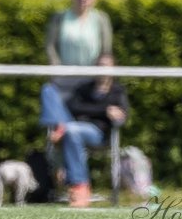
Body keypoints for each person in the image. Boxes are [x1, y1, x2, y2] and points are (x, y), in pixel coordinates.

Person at [38, 54, 129, 208]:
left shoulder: (117, 92)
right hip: (74, 125)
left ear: (114, 69)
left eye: (106, 66)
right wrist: (104, 110)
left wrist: (115, 114)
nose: (103, 69)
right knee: (48, 90)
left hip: (98, 133)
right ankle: (61, 128)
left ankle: (79, 185)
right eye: (100, 65)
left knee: (72, 130)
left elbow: (122, 117)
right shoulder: (85, 87)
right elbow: (73, 107)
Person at [45, 0, 112, 97]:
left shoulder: (101, 19)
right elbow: (50, 46)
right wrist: (56, 69)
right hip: (64, 77)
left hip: (92, 77)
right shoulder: (60, 18)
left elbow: (106, 50)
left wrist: (101, 74)